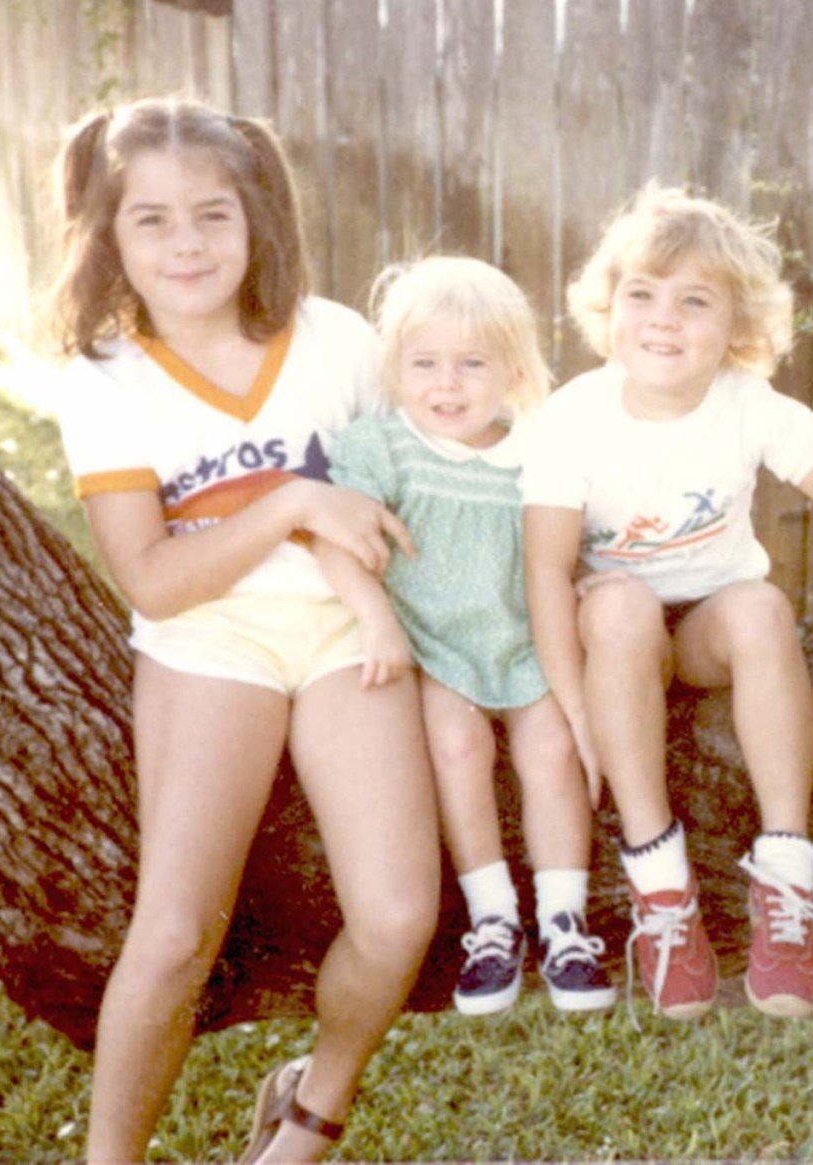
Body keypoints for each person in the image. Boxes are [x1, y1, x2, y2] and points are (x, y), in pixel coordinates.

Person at [51, 96, 441, 1164]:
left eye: (213, 215)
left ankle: (312, 1107)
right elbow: (157, 580)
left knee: (400, 915)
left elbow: (415, 489)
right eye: (152, 221)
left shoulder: (338, 343)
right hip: (209, 643)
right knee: (176, 937)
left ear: (258, 216)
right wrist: (288, 503)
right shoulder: (106, 383)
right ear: (108, 236)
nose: (188, 245)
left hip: (347, 632)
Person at [521, 185, 813, 1023]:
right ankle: (662, 892)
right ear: (607, 307)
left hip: (707, 631)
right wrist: (575, 709)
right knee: (618, 607)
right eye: (641, 295)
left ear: (737, 326)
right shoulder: (574, 418)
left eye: (696, 302)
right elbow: (545, 571)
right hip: (617, 634)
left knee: (760, 605)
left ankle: (787, 875)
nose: (663, 320)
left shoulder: (746, 404)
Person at [315, 256, 617, 1016]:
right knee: (457, 747)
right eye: (424, 364)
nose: (446, 385)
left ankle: (564, 919)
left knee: (550, 750)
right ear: (394, 367)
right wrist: (378, 619)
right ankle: (493, 917)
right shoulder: (383, 447)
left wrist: (586, 580)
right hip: (433, 647)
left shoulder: (541, 447)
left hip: (525, 641)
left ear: (512, 368)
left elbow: (567, 542)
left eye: (471, 364)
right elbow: (332, 539)